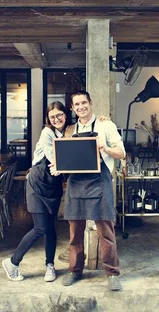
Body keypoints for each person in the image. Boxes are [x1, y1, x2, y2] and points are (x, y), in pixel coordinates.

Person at [2, 101, 110, 282]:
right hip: (38, 183)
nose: (56, 119)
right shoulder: (47, 133)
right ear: (48, 119)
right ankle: (13, 262)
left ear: (65, 115)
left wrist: (103, 121)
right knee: (40, 228)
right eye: (52, 117)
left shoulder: (69, 131)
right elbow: (57, 159)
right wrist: (70, 164)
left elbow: (87, 132)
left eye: (59, 115)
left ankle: (49, 265)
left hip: (53, 185)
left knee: (51, 228)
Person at [51, 91, 126, 292]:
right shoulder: (69, 130)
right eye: (77, 104)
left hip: (99, 183)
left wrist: (105, 149)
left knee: (106, 232)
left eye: (84, 102)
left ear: (90, 103)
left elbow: (122, 153)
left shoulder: (105, 125)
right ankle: (75, 271)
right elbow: (63, 157)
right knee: (75, 233)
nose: (81, 107)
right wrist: (58, 166)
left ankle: (112, 273)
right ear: (73, 108)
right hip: (76, 184)